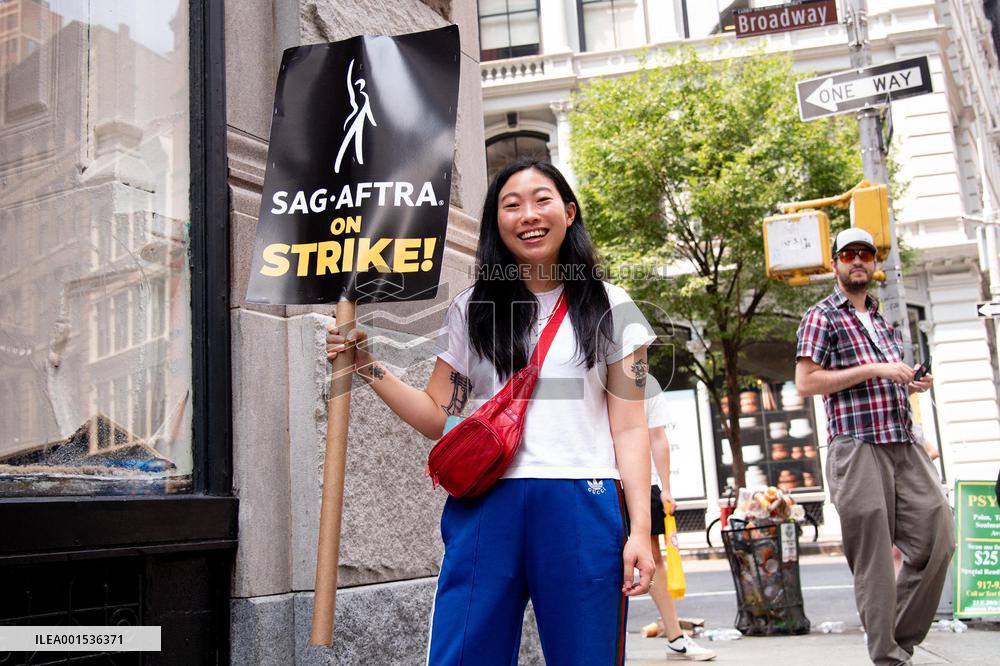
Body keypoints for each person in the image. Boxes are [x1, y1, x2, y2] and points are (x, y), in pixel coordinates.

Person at [326, 159, 655, 664]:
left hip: (582, 500)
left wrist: (641, 532)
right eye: (511, 204)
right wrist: (367, 366)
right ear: (496, 223)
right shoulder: (472, 308)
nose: (529, 215)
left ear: (569, 212)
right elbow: (436, 415)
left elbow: (630, 428)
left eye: (542, 200)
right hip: (486, 502)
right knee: (464, 654)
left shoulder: (613, 306)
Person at [795, 228, 954, 666]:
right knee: (875, 561)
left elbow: (888, 381)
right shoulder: (822, 316)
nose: (857, 261)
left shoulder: (883, 321)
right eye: (848, 254)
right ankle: (888, 656)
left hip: (902, 441)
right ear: (835, 264)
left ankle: (896, 637)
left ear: (874, 262)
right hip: (857, 445)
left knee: (939, 535)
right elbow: (806, 382)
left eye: (864, 254)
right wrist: (876, 369)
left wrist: (911, 382)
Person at [646, 391, 716, 661]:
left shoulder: (646, 384)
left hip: (643, 480)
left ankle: (675, 637)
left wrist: (666, 488)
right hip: (601, 477)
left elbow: (658, 436)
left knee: (653, 558)